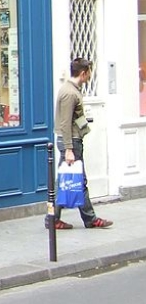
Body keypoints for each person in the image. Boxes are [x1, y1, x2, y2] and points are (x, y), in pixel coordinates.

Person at [49, 58, 113, 229]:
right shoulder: (70, 93)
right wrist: (69, 149)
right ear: (83, 73)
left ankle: (57, 218)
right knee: (72, 181)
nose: (90, 75)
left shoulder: (70, 89)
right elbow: (65, 122)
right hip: (71, 142)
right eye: (89, 72)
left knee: (68, 180)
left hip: (71, 141)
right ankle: (87, 219)